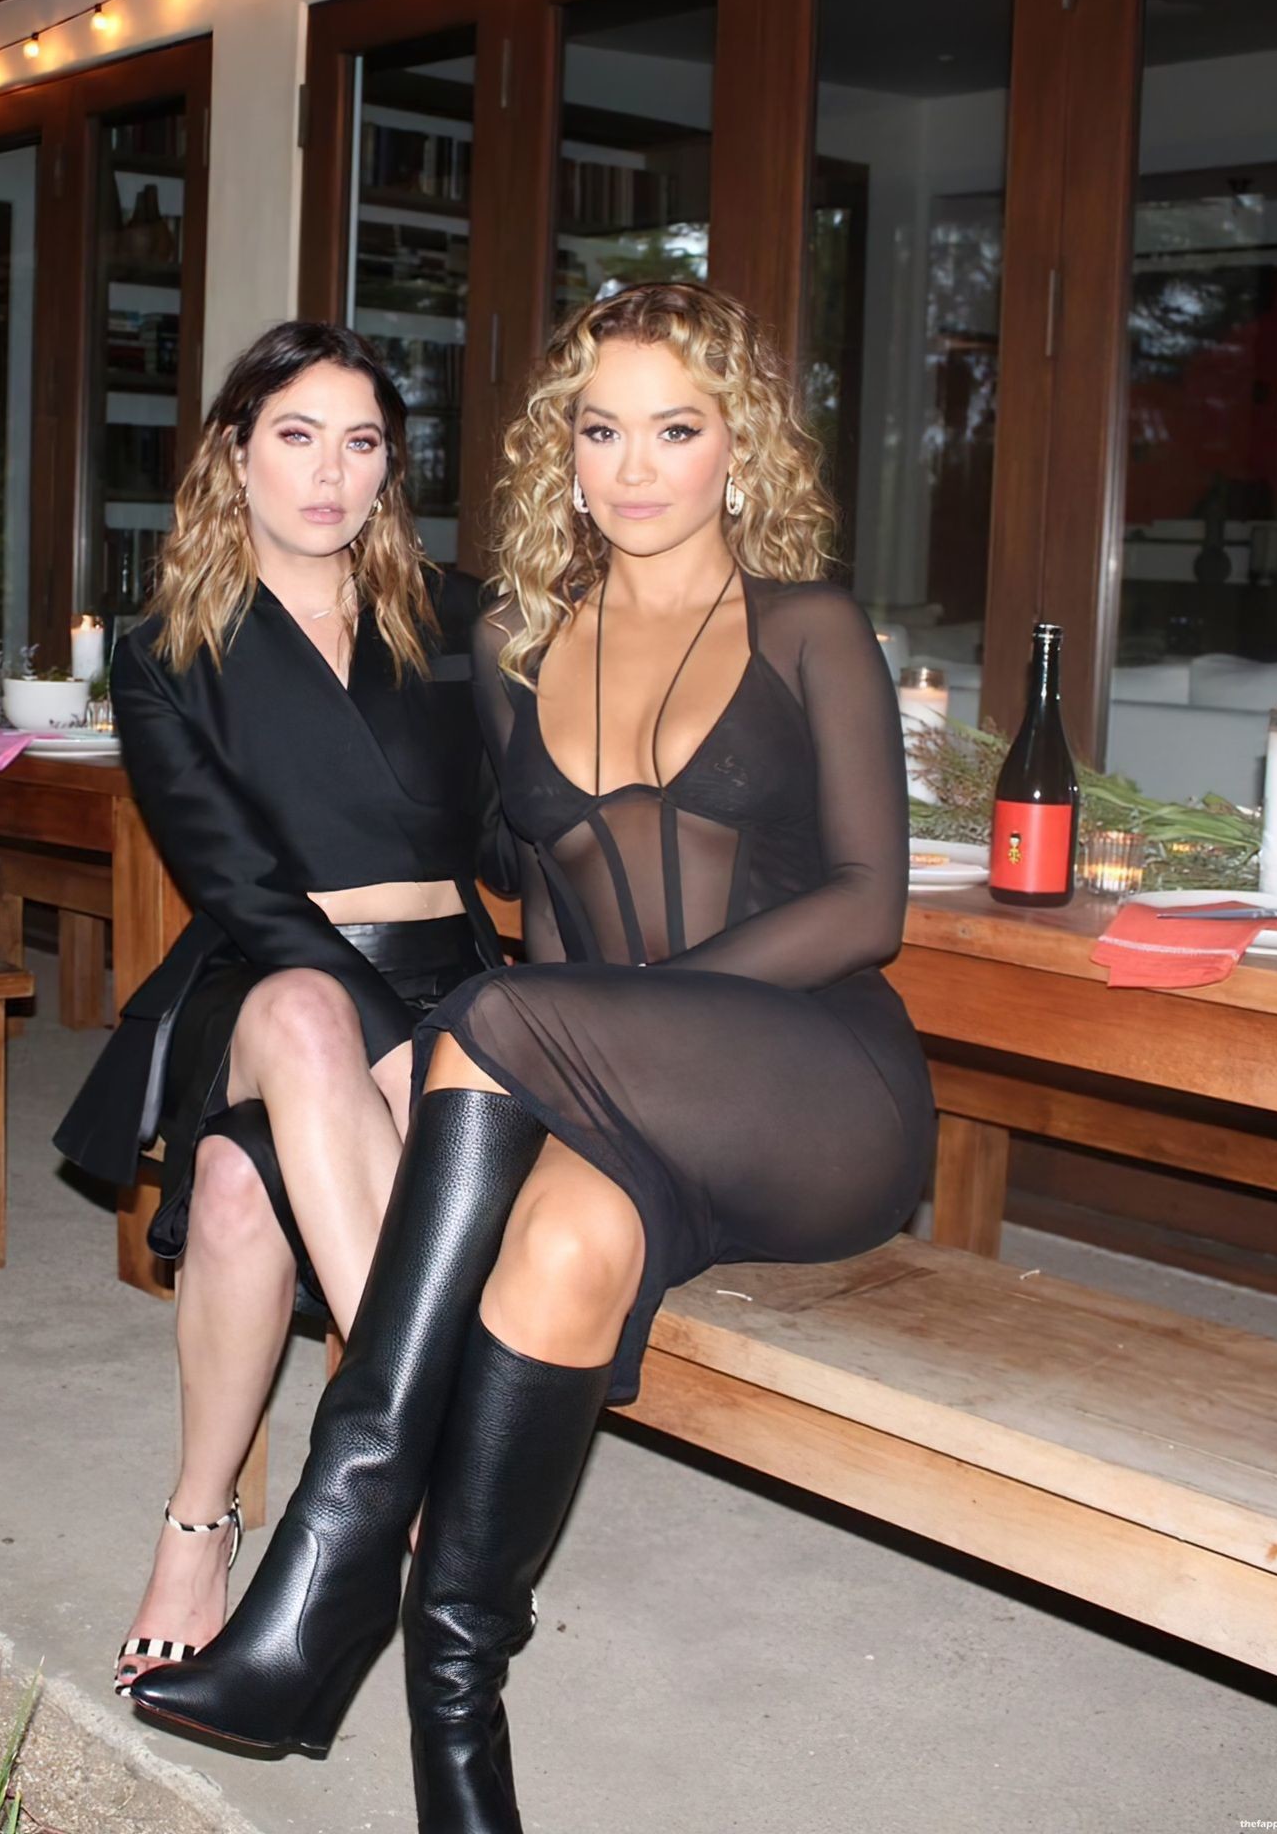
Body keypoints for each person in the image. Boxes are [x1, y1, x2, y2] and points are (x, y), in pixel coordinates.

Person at [130, 282, 937, 1833]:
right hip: (619, 1096)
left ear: (741, 448)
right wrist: (577, 1049)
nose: (636, 469)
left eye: (676, 430)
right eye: (601, 430)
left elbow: (867, 907)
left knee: (492, 1018)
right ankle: (457, 1747)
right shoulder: (512, 642)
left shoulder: (811, 627)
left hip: (814, 1091)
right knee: (554, 1247)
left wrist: (628, 1023)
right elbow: (538, 904)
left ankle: (332, 1550)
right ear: (562, 452)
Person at [51, 321, 506, 1696]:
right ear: (236, 455)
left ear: (389, 468)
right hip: (263, 976)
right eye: (296, 437)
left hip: (453, 973)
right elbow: (238, 885)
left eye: (360, 443)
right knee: (310, 1016)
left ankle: (197, 1529)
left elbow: (524, 824)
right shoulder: (167, 649)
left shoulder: (458, 615)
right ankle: (409, 1453)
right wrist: (391, 1044)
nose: (328, 473)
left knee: (240, 1192)